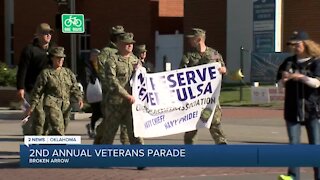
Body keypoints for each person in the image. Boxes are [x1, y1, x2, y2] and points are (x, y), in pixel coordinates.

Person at [277, 31, 320, 180]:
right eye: (292, 45)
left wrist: (300, 76)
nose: (295, 47)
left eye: (297, 44)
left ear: (306, 44)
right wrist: (283, 80)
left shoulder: (316, 62)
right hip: (292, 109)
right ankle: (293, 176)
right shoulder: (288, 62)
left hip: (312, 110)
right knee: (294, 145)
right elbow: (278, 85)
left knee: (315, 146)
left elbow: (316, 83)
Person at [179, 28, 228, 145]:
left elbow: (224, 68)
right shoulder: (189, 56)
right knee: (191, 123)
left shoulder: (214, 54)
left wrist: (223, 70)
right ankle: (190, 149)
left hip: (210, 97)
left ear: (199, 39)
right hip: (194, 98)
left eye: (192, 39)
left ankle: (222, 145)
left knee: (214, 122)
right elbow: (180, 74)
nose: (190, 41)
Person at [94, 32, 144, 146]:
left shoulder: (135, 60)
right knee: (109, 135)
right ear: (120, 45)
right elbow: (112, 81)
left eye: (131, 43)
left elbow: (142, 79)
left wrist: (139, 70)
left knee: (135, 132)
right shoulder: (112, 60)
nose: (130, 46)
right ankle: (103, 159)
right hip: (115, 104)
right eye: (127, 44)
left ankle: (141, 157)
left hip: (131, 104)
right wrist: (126, 95)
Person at [26, 47, 84, 135]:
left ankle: (49, 146)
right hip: (51, 103)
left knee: (61, 128)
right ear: (52, 58)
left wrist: (79, 98)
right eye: (58, 58)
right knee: (58, 128)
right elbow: (37, 91)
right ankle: (61, 147)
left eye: (62, 58)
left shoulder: (68, 73)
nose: (60, 60)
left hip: (65, 105)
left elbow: (74, 87)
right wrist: (32, 106)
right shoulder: (46, 73)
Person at [16, 23, 55, 135]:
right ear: (37, 35)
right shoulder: (29, 50)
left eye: (49, 33)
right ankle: (28, 137)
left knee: (48, 115)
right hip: (32, 88)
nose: (48, 35)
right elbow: (22, 70)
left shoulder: (54, 49)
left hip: (49, 89)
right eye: (44, 33)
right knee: (30, 114)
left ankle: (44, 137)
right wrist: (20, 87)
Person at [94, 25, 129, 145]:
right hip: (111, 95)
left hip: (126, 94)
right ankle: (100, 140)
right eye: (120, 35)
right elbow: (103, 73)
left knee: (126, 124)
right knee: (109, 123)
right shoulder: (106, 52)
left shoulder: (124, 51)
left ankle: (129, 149)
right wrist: (111, 88)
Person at [85, 48, 103, 138]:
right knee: (97, 111)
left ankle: (93, 127)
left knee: (100, 111)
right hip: (92, 90)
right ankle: (92, 128)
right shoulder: (87, 65)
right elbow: (87, 76)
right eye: (95, 55)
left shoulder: (100, 65)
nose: (97, 57)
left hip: (99, 90)